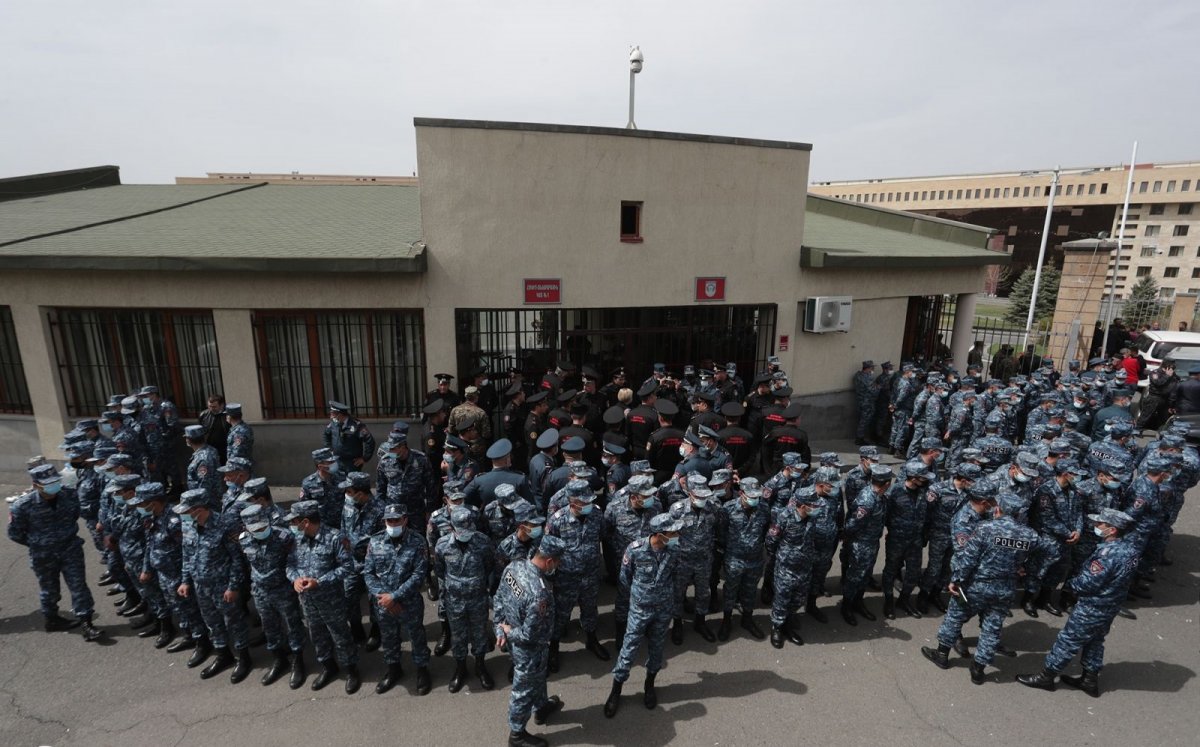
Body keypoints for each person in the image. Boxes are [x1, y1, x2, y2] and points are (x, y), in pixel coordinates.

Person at [921, 491, 1043, 685]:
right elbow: (1044, 553)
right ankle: (978, 669)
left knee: (955, 614)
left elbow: (969, 558)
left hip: (974, 586)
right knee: (991, 628)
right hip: (1005, 590)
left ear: (999, 509)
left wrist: (956, 579)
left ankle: (942, 654)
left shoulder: (985, 529)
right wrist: (1024, 568)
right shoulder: (1030, 535)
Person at [1017, 507, 1141, 697]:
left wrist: (1071, 584)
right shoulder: (1130, 549)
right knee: (1095, 640)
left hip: (1093, 605)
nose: (1096, 526)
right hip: (1111, 604)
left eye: (1101, 524)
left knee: (1068, 640)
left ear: (1113, 529)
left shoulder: (1108, 553)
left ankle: (1047, 676)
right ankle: (1089, 679)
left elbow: (1088, 582)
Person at [7, 464, 103, 641]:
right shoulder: (22, 506)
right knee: (49, 589)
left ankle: (86, 622)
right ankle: (52, 619)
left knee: (78, 586)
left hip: (70, 548)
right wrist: (39, 543)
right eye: (48, 484)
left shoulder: (69, 495)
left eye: (55, 482)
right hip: (43, 555)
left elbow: (75, 515)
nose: (54, 487)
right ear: (36, 485)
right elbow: (14, 534)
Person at [603, 513, 683, 719]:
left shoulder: (674, 551)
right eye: (672, 532)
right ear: (659, 534)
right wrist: (638, 599)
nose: (677, 535)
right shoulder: (635, 550)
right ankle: (615, 691)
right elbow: (624, 580)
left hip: (663, 608)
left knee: (657, 649)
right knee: (628, 650)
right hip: (640, 609)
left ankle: (649, 685)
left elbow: (675, 577)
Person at [174, 488, 252, 683]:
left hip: (223, 586)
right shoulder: (189, 526)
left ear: (199, 509)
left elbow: (237, 559)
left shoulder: (225, 525)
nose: (184, 515)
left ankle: (244, 657)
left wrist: (233, 586)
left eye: (187, 511)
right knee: (212, 622)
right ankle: (223, 654)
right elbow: (187, 555)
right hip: (201, 585)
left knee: (234, 621)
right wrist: (185, 581)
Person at [494, 536, 565, 747]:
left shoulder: (514, 567)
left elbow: (499, 597)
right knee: (523, 689)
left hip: (518, 643)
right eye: (558, 561)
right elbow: (528, 635)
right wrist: (507, 632)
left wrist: (499, 626)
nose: (559, 566)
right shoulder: (539, 593)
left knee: (538, 677)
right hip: (530, 647)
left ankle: (541, 707)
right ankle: (516, 734)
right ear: (550, 561)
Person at [286, 499, 360, 693]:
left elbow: (347, 567)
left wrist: (320, 581)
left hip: (331, 600)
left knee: (340, 635)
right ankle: (328, 667)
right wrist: (294, 579)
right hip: (308, 601)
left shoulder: (335, 538)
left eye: (295, 522)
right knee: (317, 635)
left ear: (306, 522)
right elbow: (290, 565)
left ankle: (351, 670)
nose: (292, 526)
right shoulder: (297, 540)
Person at [364, 504, 433, 696]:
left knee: (417, 636)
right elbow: (369, 573)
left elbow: (419, 575)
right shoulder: (375, 541)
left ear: (405, 519)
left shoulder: (418, 542)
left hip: (408, 603)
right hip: (383, 604)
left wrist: (395, 597)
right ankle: (393, 669)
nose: (392, 523)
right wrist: (383, 597)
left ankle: (422, 669)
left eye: (396, 520)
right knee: (388, 637)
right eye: (389, 520)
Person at [238, 504, 308, 688]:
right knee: (269, 627)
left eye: (263, 526)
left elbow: (296, 561)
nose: (261, 530)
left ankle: (298, 660)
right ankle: (279, 659)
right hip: (260, 592)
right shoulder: (244, 540)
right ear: (246, 528)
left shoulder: (284, 537)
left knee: (293, 626)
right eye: (256, 529)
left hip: (283, 590)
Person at [546, 482, 610, 670]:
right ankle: (554, 648)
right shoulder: (557, 520)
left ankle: (591, 640)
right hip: (566, 577)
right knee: (561, 614)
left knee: (590, 609)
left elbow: (603, 535)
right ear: (573, 503)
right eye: (584, 502)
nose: (589, 505)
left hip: (590, 573)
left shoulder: (596, 514)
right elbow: (549, 548)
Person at [434, 506, 498, 693]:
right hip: (454, 600)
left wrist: (475, 584)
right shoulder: (442, 545)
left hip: (477, 598)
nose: (466, 534)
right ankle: (460, 668)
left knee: (479, 633)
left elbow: (489, 566)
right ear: (452, 528)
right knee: (458, 636)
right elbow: (439, 570)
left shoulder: (483, 542)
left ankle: (480, 666)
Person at [716, 477, 769, 641]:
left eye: (756, 496)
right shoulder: (728, 509)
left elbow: (765, 530)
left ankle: (747, 618)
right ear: (741, 493)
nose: (754, 499)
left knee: (750, 590)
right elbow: (721, 532)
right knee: (730, 590)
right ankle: (727, 620)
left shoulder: (764, 508)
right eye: (751, 496)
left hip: (755, 559)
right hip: (734, 558)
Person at [323, 400, 376, 475]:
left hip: (352, 463)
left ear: (340, 414)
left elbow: (370, 441)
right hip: (337, 461)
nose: (331, 417)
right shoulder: (334, 423)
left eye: (333, 414)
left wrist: (365, 458)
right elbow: (326, 434)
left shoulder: (356, 425)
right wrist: (329, 449)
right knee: (338, 484)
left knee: (351, 485)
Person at [853, 360, 878, 446]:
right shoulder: (867, 377)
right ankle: (860, 438)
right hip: (867, 402)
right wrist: (878, 387)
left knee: (861, 420)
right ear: (868, 368)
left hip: (860, 400)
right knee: (864, 420)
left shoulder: (857, 375)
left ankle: (860, 437)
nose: (873, 369)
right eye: (872, 367)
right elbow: (873, 390)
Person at [199, 393, 230, 462]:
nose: (211, 409)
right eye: (209, 406)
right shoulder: (203, 415)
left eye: (214, 407)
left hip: (225, 449)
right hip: (209, 449)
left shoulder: (228, 415)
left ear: (222, 405)